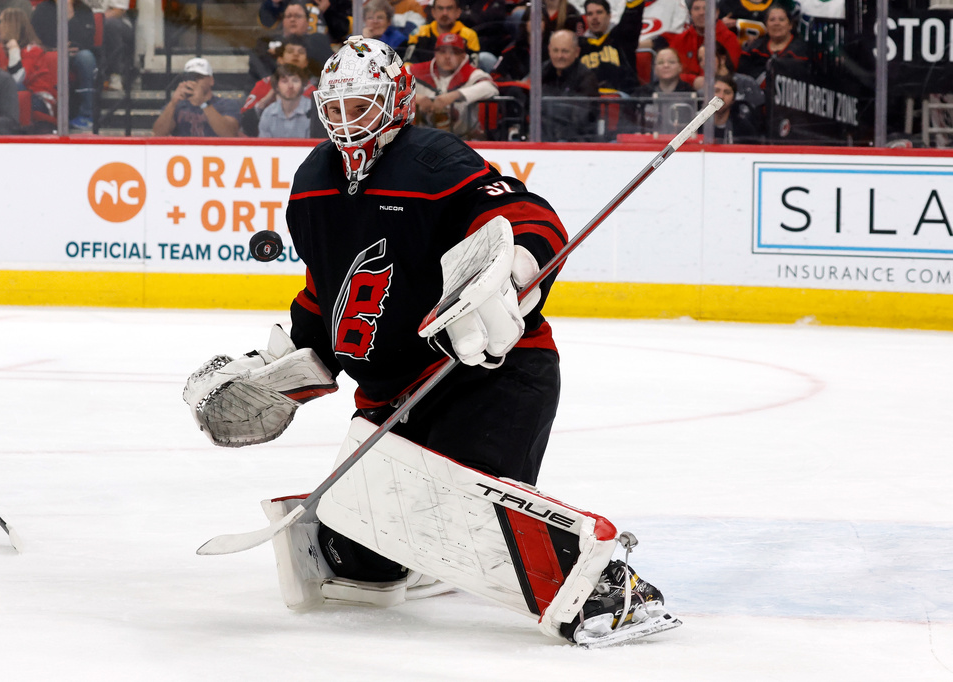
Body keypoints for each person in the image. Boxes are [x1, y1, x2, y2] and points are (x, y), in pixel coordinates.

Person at [186, 36, 677, 649]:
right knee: (349, 558)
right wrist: (276, 371)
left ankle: (609, 588)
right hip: (390, 400)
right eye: (334, 107)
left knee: (461, 505)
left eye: (360, 104)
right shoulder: (312, 182)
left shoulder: (435, 161)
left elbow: (528, 215)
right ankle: (417, 554)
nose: (345, 121)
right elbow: (325, 296)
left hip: (489, 377)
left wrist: (513, 274)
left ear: (396, 101)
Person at [408, 31, 497, 139]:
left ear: (463, 55)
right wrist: (414, 97)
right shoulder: (416, 71)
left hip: (464, 139)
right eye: (442, 52)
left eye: (454, 52)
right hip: (422, 139)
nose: (447, 57)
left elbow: (491, 87)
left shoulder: (472, 74)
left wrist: (454, 95)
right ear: (435, 53)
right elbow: (390, 85)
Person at [30, 0, 97, 130]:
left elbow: (87, 40)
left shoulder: (84, 10)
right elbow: (37, 37)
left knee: (87, 58)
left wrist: (70, 13)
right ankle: (52, 115)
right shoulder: (42, 9)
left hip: (76, 53)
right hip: (50, 52)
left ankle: (86, 114)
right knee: (53, 59)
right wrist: (57, 48)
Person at [647, 0, 740, 88]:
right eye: (696, 9)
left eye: (706, 8)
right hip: (684, 93)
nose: (701, 13)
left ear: (716, 13)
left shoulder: (729, 38)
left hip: (719, 91)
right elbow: (671, 72)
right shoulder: (680, 40)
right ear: (690, 13)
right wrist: (694, 81)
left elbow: (729, 71)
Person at [151, 57, 241, 137]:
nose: (194, 81)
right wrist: (173, 103)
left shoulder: (226, 104)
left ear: (211, 81)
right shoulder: (177, 106)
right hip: (183, 152)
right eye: (190, 77)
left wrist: (203, 103)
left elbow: (230, 134)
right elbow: (158, 133)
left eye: (199, 77)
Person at [541, 28, 598, 141]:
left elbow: (580, 120)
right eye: (555, 50)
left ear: (576, 52)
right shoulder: (542, 71)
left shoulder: (586, 78)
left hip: (575, 141)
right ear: (549, 50)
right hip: (542, 137)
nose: (559, 56)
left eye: (565, 51)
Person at [737, 3, 809, 88]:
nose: (776, 23)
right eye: (772, 20)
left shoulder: (802, 52)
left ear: (790, 25)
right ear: (766, 26)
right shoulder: (754, 49)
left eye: (781, 20)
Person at [628, 46, 696, 134]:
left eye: (671, 62)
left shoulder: (691, 94)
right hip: (647, 144)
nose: (666, 65)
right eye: (660, 62)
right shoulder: (641, 94)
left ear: (680, 67)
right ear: (654, 69)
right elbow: (627, 124)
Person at [578, 0, 638, 95]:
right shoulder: (578, 45)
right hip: (587, 103)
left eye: (599, 12)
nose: (594, 17)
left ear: (609, 15)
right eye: (590, 14)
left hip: (621, 102)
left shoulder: (622, 36)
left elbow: (632, 18)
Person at [405, 0, 481, 66]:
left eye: (449, 8)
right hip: (422, 79)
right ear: (433, 12)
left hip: (459, 79)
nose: (444, 13)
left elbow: (472, 67)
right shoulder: (419, 32)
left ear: (458, 12)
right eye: (440, 8)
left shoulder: (469, 35)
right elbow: (408, 62)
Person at [257, 63, 311, 138]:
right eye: (284, 81)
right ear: (276, 86)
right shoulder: (268, 113)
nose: (290, 86)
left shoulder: (314, 111)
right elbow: (264, 147)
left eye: (295, 81)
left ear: (303, 85)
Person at [711, 73, 758, 143]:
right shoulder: (697, 124)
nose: (721, 96)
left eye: (727, 92)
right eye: (717, 91)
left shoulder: (744, 129)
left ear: (733, 99)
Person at [102, 0, 134, 93]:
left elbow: (119, 11)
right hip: (92, 22)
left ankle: (115, 75)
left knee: (111, 25)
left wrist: (99, 19)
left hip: (119, 22)